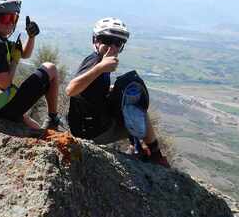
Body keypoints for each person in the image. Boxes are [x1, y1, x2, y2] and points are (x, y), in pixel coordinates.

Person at [65, 17, 169, 167]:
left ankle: (137, 148)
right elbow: (71, 90)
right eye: (107, 40)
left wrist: (109, 89)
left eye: (118, 43)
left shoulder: (98, 60)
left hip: (88, 124)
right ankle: (155, 155)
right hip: (93, 131)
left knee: (124, 91)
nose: (112, 48)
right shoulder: (95, 62)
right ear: (95, 40)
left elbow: (89, 91)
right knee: (136, 107)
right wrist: (100, 68)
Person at [0, 0, 61, 130]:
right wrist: (14, 61)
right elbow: (4, 84)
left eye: (12, 18)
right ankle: (53, 118)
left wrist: (31, 37)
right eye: (4, 18)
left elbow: (24, 54)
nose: (9, 23)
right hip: (3, 105)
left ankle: (43, 125)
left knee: (37, 130)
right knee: (50, 68)